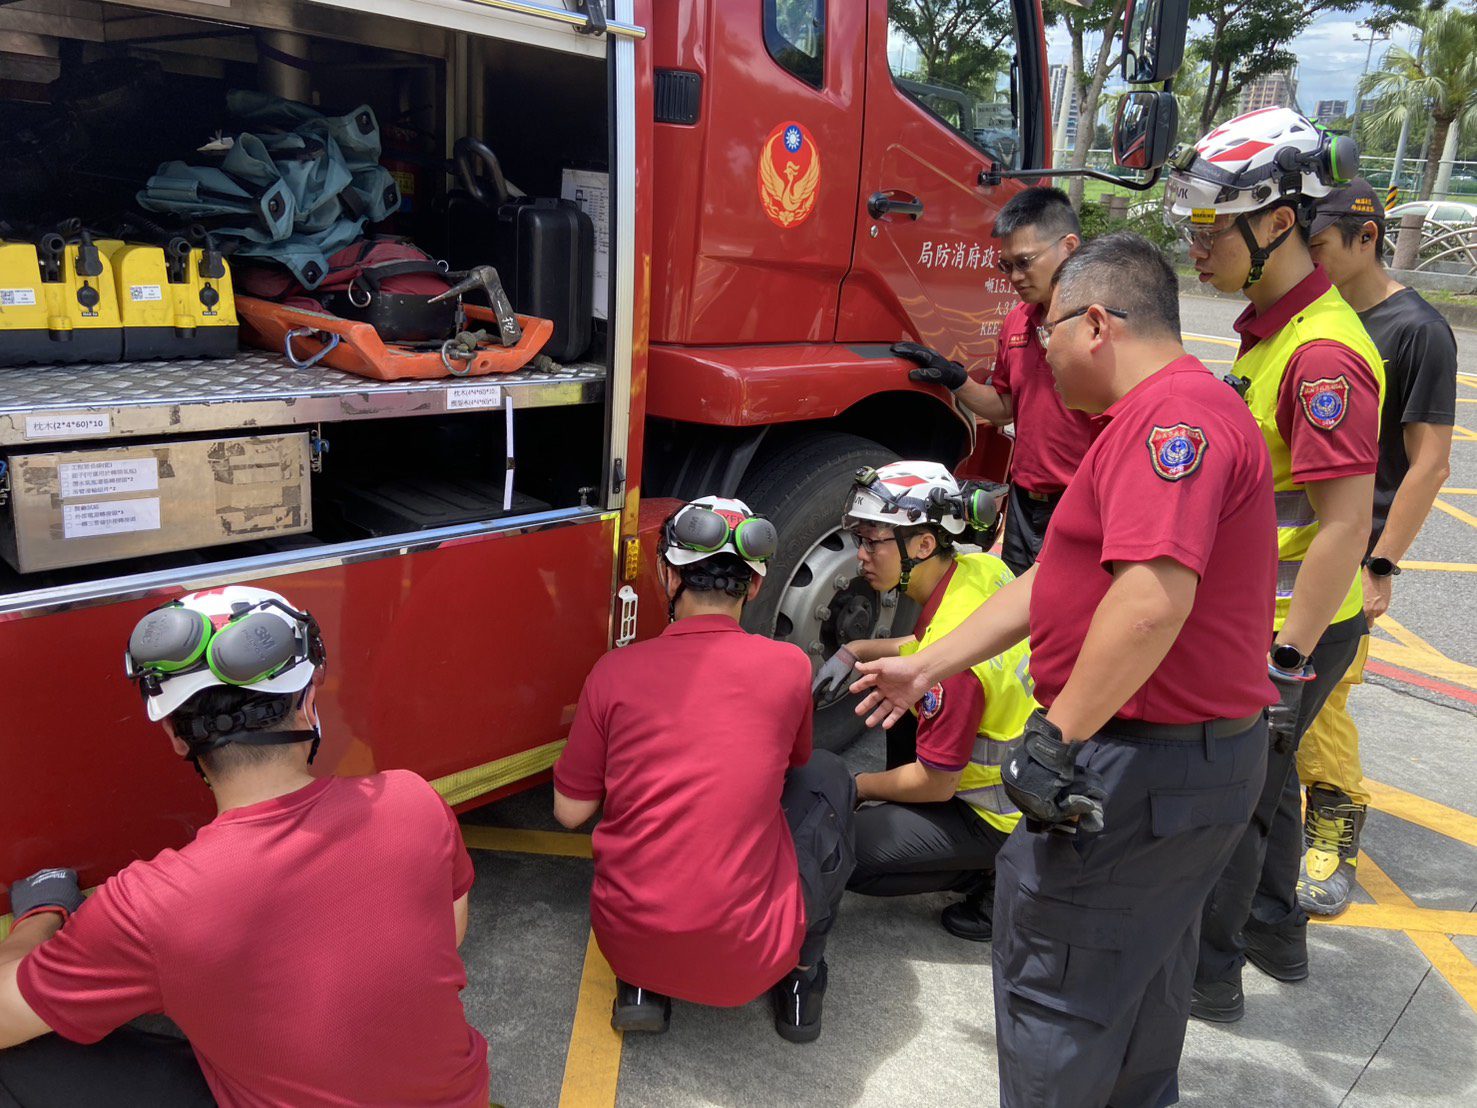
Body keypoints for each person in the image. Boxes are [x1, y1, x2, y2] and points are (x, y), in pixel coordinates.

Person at [851, 232, 1278, 1107]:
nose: (1036, 353)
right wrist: (926, 664)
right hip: (1182, 763)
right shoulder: (1153, 415)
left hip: (1140, 764)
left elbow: (1149, 599)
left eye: (1045, 331)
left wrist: (1054, 738)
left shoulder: (1169, 424)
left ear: (1095, 324)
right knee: (1139, 980)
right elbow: (1055, 577)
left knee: (1059, 991)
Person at [0, 586, 488, 1107]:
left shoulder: (149, 905)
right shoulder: (413, 799)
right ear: (308, 703)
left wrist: (41, 914)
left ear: (175, 735)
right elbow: (448, 931)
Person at [1164, 107, 1385, 1022]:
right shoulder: (1271, 329)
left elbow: (1343, 524)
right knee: (1263, 791)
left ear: (1278, 222)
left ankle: (1207, 980)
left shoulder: (1321, 355)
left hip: (1287, 625)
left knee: (1227, 803)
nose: (1195, 246)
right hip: (1270, 618)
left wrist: (1284, 661)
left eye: (1210, 228)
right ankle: (1274, 935)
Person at [552, 497, 855, 1044]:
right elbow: (795, 765)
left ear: (668, 576)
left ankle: (640, 990)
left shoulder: (613, 672)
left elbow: (570, 813)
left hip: (629, 946)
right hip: (751, 959)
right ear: (755, 586)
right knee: (828, 777)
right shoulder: (789, 666)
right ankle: (801, 981)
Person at [1295, 179, 1458, 916]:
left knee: (1321, 693)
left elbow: (1429, 464)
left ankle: (1334, 826)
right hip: (1295, 539)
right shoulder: (1314, 317)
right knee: (1289, 691)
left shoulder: (1416, 331)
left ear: (1367, 238)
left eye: (1320, 245)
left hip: (1353, 546)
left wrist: (1381, 563)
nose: (1311, 259)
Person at [811, 463, 1034, 941]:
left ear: (924, 545)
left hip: (994, 813)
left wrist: (858, 787)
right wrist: (856, 651)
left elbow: (936, 784)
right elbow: (926, 643)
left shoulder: (953, 677)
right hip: (1022, 779)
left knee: (842, 850)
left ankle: (995, 875)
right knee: (891, 699)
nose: (861, 555)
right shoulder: (980, 569)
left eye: (873, 541)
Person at [894, 186, 1100, 576]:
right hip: (1024, 502)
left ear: (1069, 247)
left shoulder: (1102, 323)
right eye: (1005, 266)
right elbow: (1006, 407)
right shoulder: (1018, 321)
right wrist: (955, 379)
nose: (1015, 277)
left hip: (1082, 503)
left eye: (1024, 262)